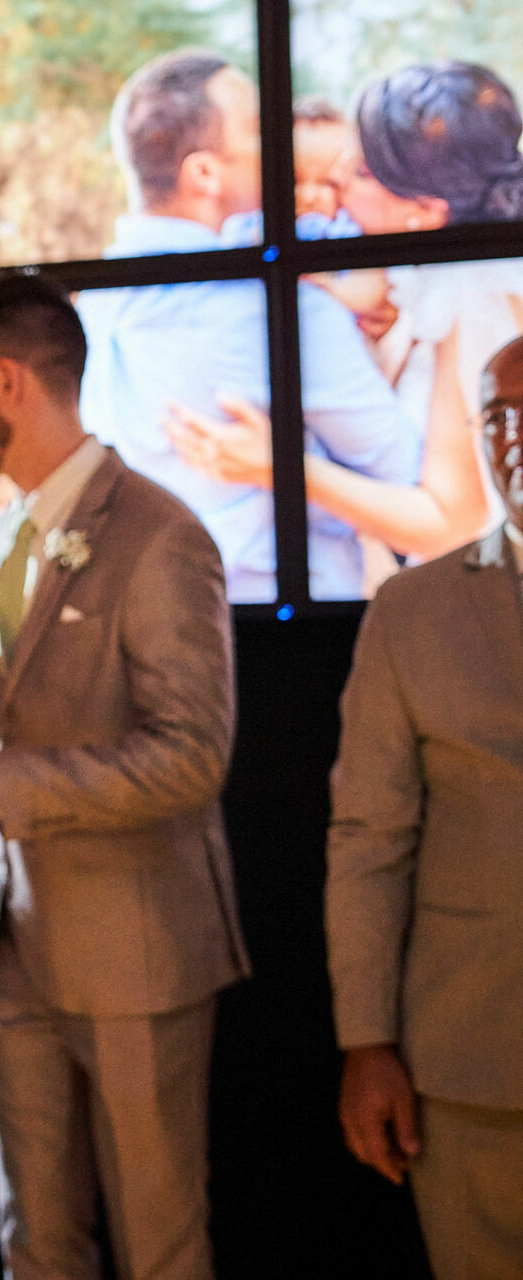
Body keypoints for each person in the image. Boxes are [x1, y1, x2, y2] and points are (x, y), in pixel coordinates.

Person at [0, 276, 247, 1280]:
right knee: (35, 1245)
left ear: (6, 382)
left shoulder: (165, 536)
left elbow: (191, 754)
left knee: (161, 1245)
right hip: (3, 953)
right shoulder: (7, 530)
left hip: (138, 953)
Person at [77, 48, 421, 601]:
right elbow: (409, 475)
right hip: (301, 636)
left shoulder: (92, 306)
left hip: (155, 623)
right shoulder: (283, 309)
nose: (279, 147)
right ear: (205, 173)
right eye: (259, 130)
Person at [324, 336, 523, 1278]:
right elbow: (369, 843)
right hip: (478, 1067)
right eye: (497, 415)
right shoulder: (410, 613)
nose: (514, 436)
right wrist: (366, 1044)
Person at [168, 62, 522, 578]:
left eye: (360, 171)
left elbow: (452, 524)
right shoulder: (404, 282)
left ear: (424, 212)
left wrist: (282, 466)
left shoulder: (475, 303)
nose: (335, 172)